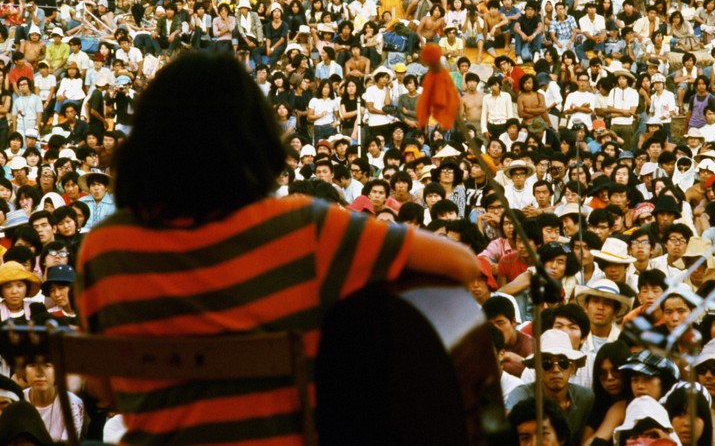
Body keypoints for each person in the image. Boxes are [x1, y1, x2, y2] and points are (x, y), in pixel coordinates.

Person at [75, 53, 478, 444]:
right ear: (258, 138)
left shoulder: (103, 248)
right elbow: (460, 264)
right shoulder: (303, 228)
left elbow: (104, 389)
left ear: (145, 142)